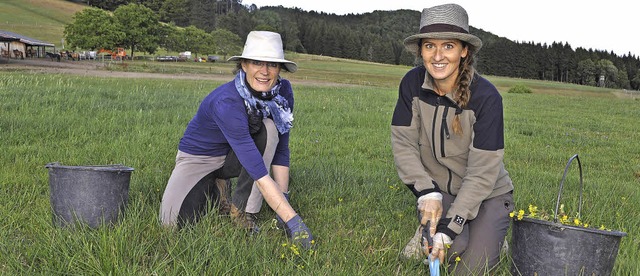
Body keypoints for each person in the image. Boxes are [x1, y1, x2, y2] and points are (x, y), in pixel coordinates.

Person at [159, 31, 314, 249]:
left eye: (272, 65)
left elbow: (281, 148)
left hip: (236, 154)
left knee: (270, 128)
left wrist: (284, 200)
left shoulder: (283, 92)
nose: (265, 72)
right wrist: (294, 221)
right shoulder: (227, 101)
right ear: (243, 65)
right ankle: (217, 186)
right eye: (257, 62)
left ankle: (243, 211)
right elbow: (259, 173)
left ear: (280, 69)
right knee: (171, 224)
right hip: (199, 159)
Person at [391, 4, 514, 275]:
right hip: (439, 192)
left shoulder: (487, 98)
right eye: (429, 46)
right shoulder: (411, 85)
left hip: (487, 194)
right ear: (420, 50)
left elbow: (482, 174)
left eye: (448, 46)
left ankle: (494, 236)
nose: (437, 56)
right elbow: (403, 145)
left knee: (469, 268)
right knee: (449, 252)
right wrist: (427, 192)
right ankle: (428, 226)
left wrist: (450, 227)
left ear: (464, 50)